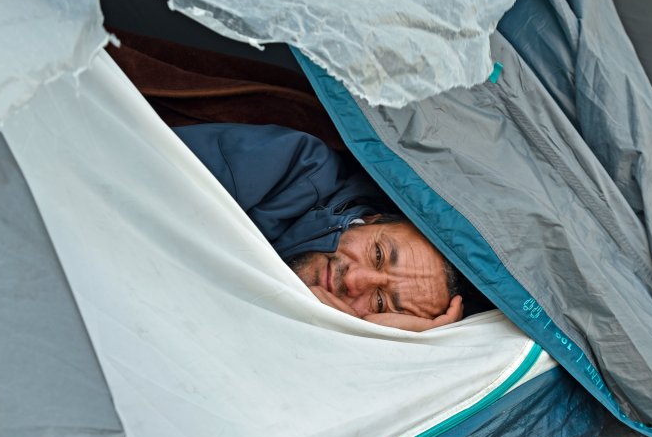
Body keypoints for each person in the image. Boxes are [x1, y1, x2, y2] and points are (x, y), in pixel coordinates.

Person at [173, 122, 464, 331]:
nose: (355, 280)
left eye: (378, 303)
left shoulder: (346, 339)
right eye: (377, 255)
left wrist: (352, 336)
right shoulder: (295, 167)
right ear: (371, 219)